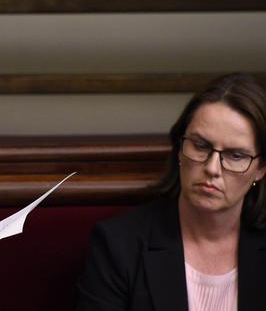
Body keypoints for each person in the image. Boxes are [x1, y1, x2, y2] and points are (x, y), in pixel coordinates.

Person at [76, 73, 266, 311]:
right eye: (200, 146)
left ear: (260, 169)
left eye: (235, 155)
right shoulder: (118, 244)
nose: (211, 168)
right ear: (179, 149)